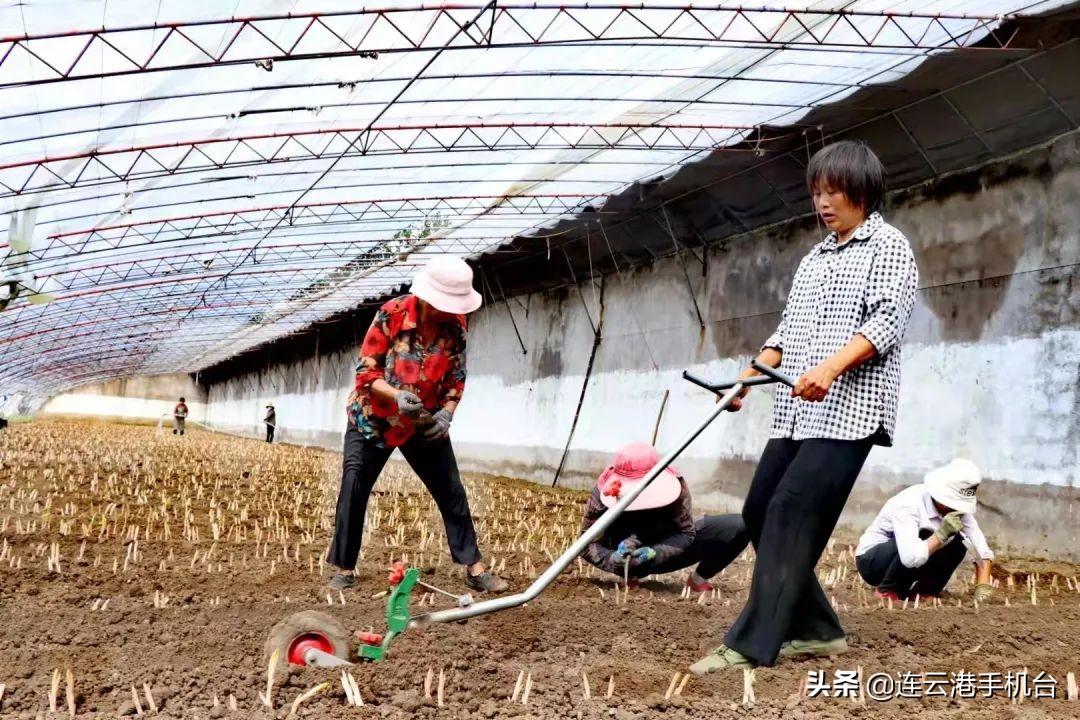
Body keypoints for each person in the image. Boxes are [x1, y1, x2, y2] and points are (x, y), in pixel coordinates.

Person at [691, 140, 918, 674]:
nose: (823, 202)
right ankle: (818, 630)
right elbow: (786, 332)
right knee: (758, 511)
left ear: (863, 191)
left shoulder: (889, 246)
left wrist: (831, 368)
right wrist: (745, 379)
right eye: (818, 192)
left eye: (834, 191)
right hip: (799, 411)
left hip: (851, 412)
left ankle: (752, 643)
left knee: (790, 511)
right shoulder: (814, 258)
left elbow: (886, 322)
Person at [326, 255, 508, 594]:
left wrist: (447, 412)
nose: (449, 311)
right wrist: (395, 395)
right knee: (354, 486)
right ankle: (345, 568)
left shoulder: (456, 326)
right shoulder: (392, 314)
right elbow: (366, 372)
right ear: (427, 298)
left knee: (451, 490)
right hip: (374, 419)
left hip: (423, 421)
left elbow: (456, 376)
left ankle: (475, 568)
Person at [581, 442, 748, 591]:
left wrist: (656, 553)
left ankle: (697, 580)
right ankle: (629, 575)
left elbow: (686, 532)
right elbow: (585, 543)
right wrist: (613, 559)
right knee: (622, 544)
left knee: (740, 526)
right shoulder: (604, 490)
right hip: (624, 550)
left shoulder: (677, 485)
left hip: (665, 544)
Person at [855, 458, 994, 603]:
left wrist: (983, 584)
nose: (956, 509)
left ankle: (924, 591)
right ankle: (887, 590)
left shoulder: (956, 510)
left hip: (909, 565)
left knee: (959, 542)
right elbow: (909, 558)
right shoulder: (909, 504)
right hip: (873, 564)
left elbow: (978, 544)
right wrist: (941, 535)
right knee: (924, 534)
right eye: (952, 504)